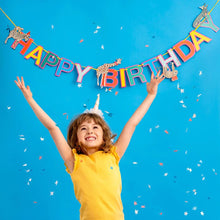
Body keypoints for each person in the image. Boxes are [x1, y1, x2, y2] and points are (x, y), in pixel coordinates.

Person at [15, 71, 164, 220]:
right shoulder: (73, 161)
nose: (89, 131)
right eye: (83, 128)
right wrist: (30, 99)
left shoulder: (113, 154)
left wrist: (150, 95)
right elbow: (53, 128)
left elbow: (132, 124)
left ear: (104, 135)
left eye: (95, 128)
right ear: (76, 137)